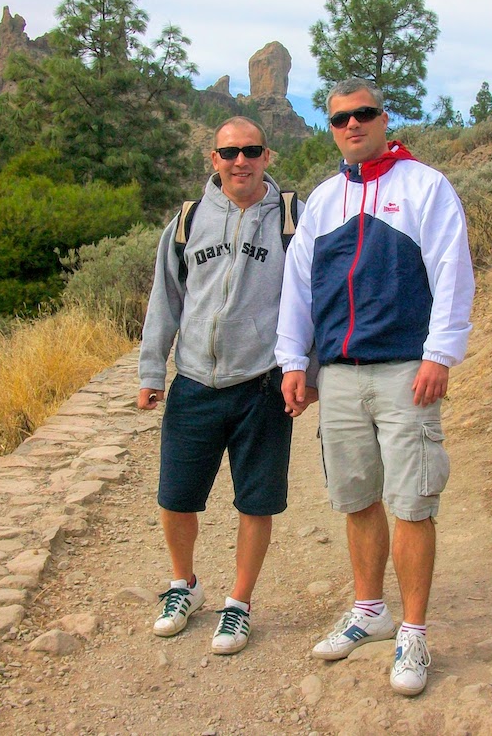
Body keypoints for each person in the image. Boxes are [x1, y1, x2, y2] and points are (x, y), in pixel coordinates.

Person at [276, 77, 474, 696]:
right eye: (340, 119)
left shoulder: (425, 187)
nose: (353, 126)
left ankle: (413, 630)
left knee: (413, 500)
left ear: (385, 118)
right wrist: (292, 362)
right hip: (337, 376)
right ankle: (370, 610)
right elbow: (298, 288)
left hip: (404, 371)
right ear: (330, 128)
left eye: (364, 114)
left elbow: (452, 269)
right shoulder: (323, 200)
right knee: (356, 497)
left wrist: (440, 353)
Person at [138, 116, 314, 655]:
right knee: (176, 496)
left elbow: (312, 298)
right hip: (194, 380)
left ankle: (238, 604)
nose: (240, 160)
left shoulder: (292, 218)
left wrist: (306, 370)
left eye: (251, 150)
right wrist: (152, 371)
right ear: (213, 160)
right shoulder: (189, 220)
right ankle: (182, 586)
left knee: (255, 502)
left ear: (268, 156)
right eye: (229, 152)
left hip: (261, 385)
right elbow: (165, 298)